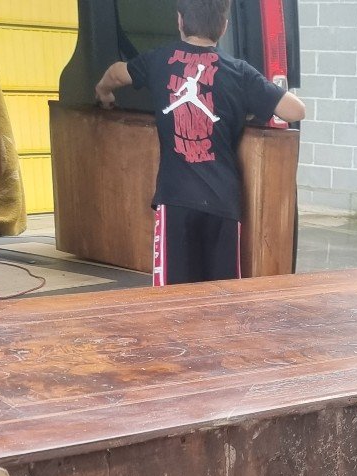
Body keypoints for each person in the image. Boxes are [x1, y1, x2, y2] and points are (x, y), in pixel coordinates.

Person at [95, 0, 306, 286]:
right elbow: (296, 111)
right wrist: (252, 104)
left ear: (179, 20)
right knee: (222, 296)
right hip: (223, 203)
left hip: (176, 202)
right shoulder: (240, 72)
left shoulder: (159, 60)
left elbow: (117, 73)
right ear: (224, 27)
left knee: (173, 299)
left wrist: (103, 92)